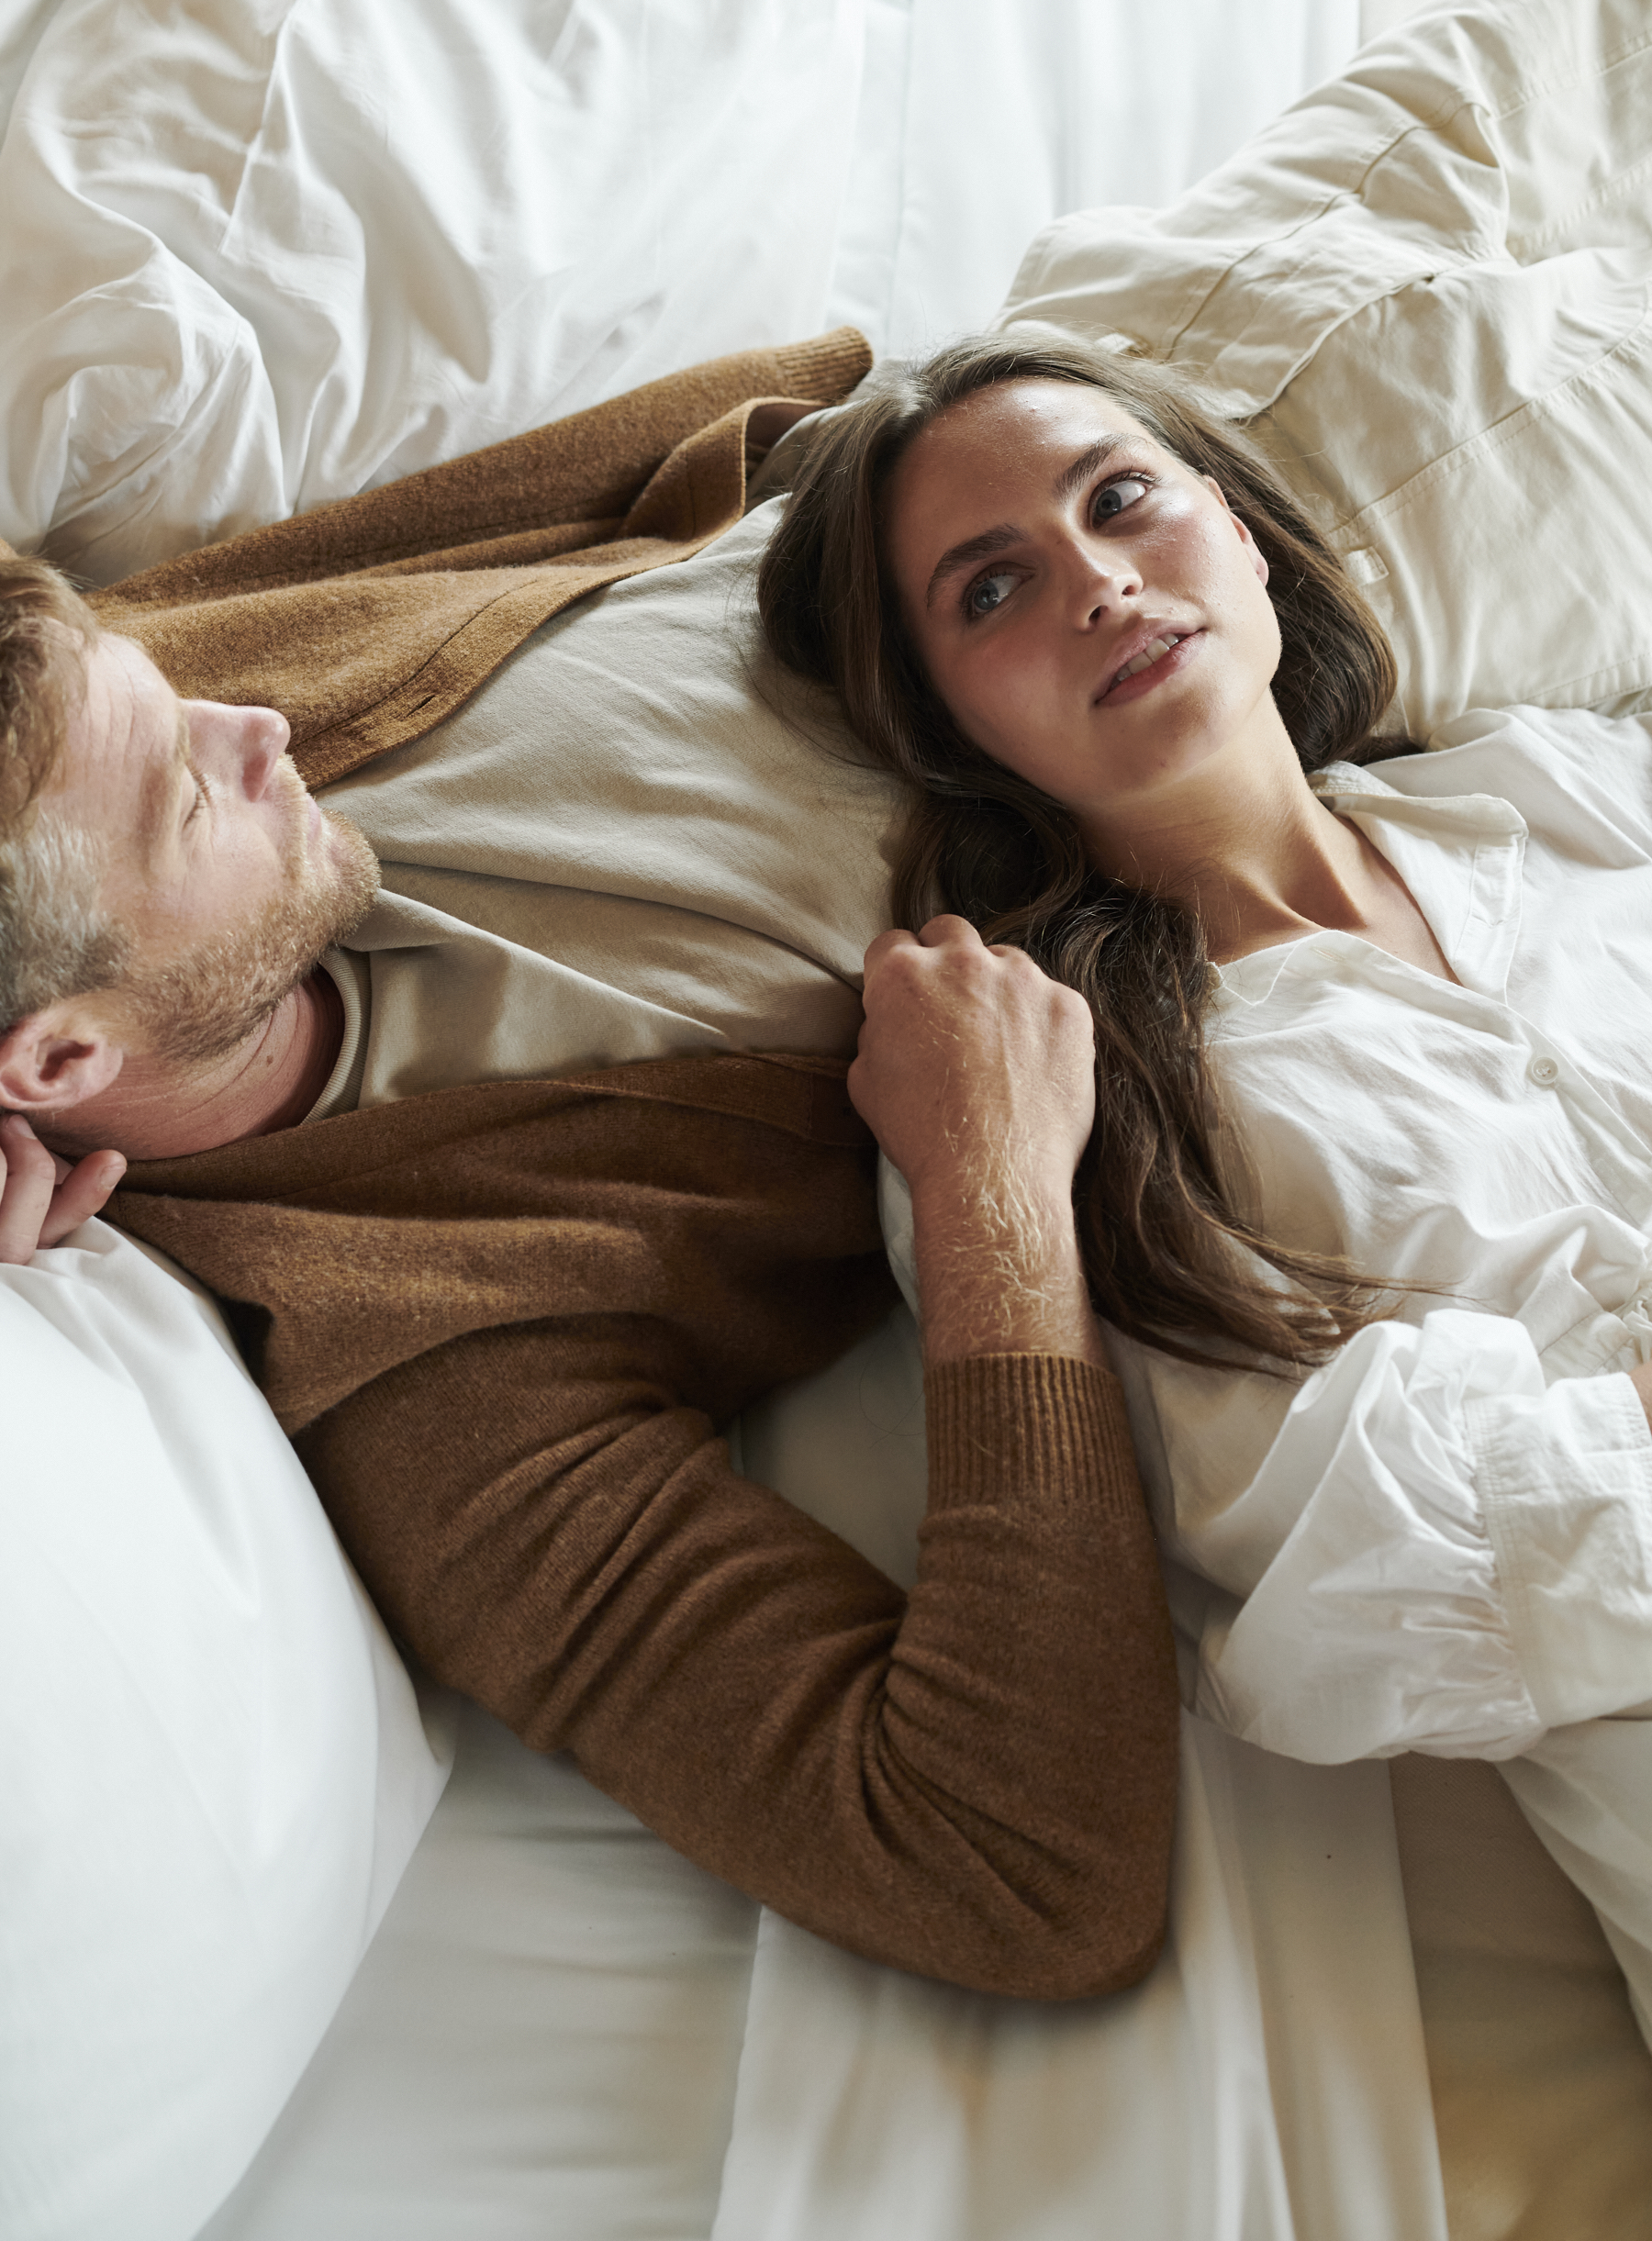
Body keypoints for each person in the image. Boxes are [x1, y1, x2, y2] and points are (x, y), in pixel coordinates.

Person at [0, 496, 1178, 2000]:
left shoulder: (79, 723)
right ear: (54, 1066)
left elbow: (698, 448)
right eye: (190, 798)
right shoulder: (437, 1390)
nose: (261, 720)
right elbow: (1020, 1878)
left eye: (169, 678)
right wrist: (994, 1197)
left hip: (1021, 467)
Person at [756, 329, 1652, 2036]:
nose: (1098, 581)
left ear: (1238, 534)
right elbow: (1394, 1575)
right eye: (992, 588)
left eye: (1123, 500)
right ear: (946, 724)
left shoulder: (1576, 790)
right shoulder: (1072, 1101)